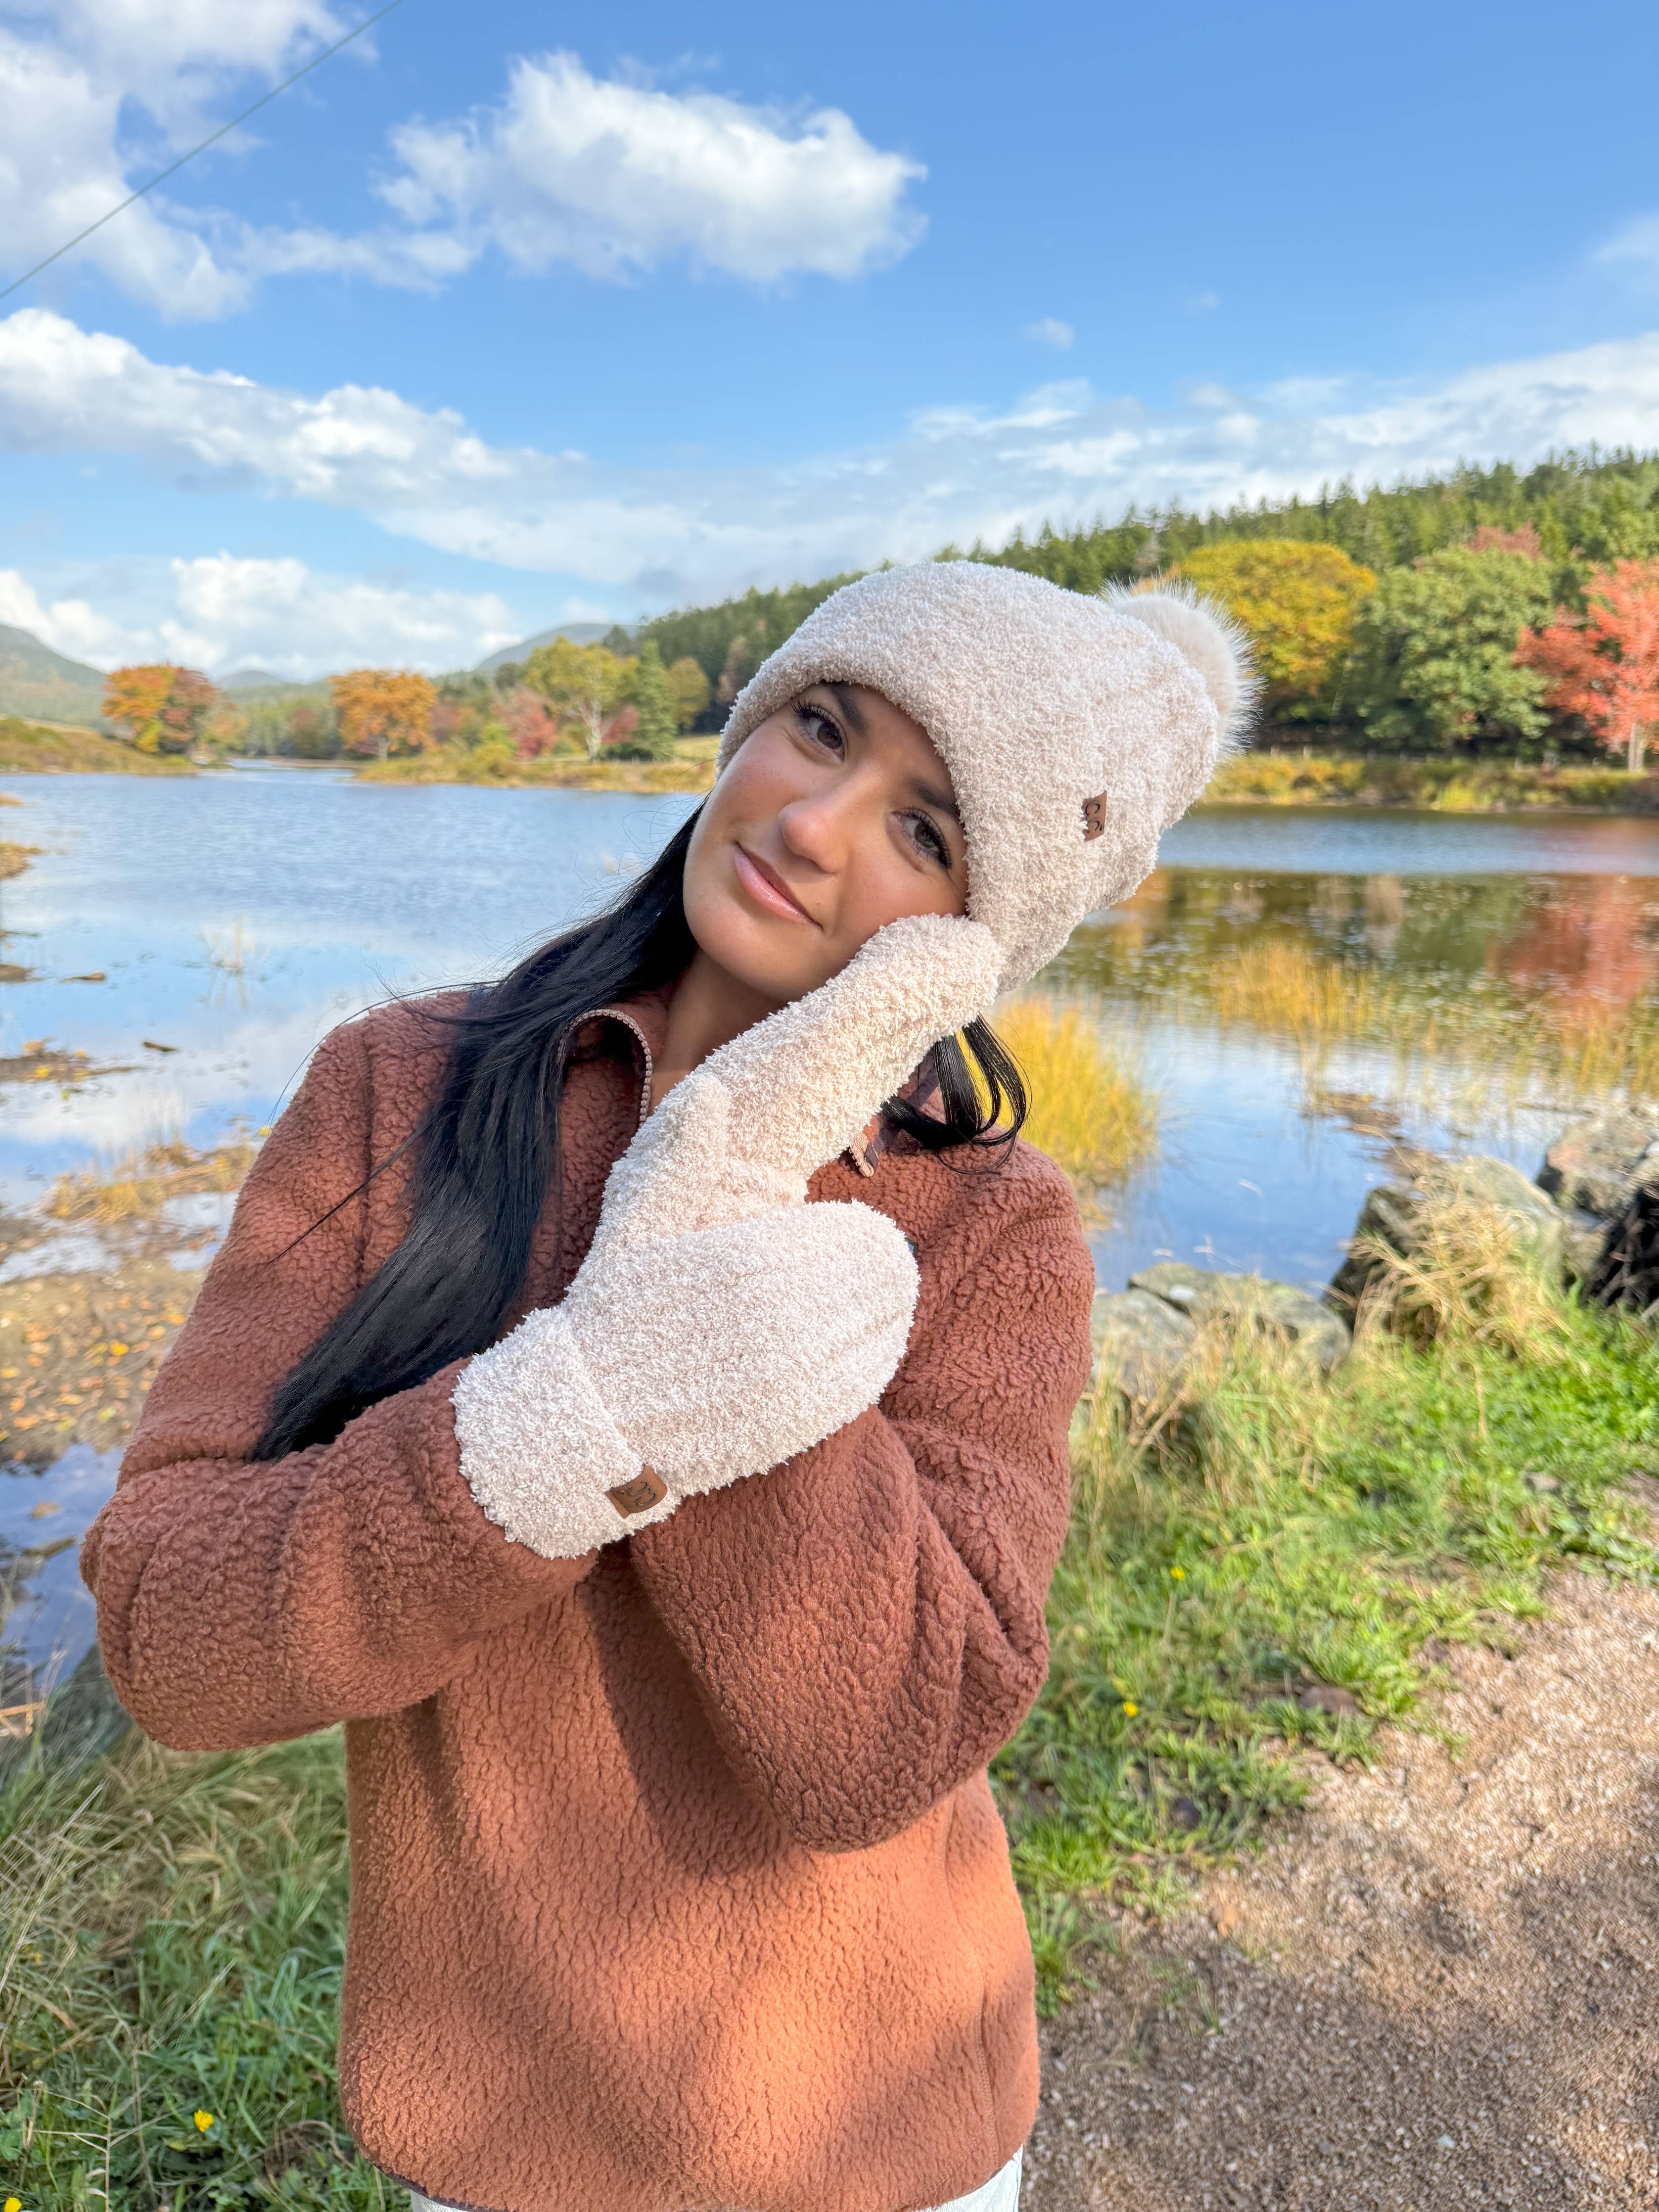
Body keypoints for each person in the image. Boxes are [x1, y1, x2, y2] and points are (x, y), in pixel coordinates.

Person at [82, 562, 1249, 2212]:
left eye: (927, 830)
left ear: (986, 943)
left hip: (885, 2141)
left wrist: (733, 1206)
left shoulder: (993, 1231)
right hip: (500, 2139)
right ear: (745, 722)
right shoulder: (399, 1089)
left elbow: (889, 1745)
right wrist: (568, 1424)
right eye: (820, 727)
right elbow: (166, 1641)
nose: (815, 822)